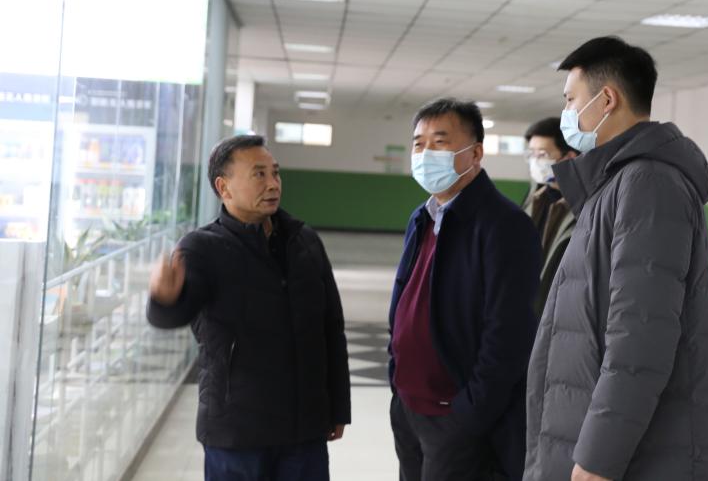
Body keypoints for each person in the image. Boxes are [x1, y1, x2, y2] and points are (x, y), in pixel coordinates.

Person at [524, 36, 708, 481]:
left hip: (644, 457)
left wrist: (598, 457)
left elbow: (640, 337)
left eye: (571, 100)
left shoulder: (647, 185)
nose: (567, 112)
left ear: (606, 100)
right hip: (622, 446)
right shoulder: (615, 183)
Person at [147, 135, 350, 481]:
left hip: (304, 430)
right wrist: (164, 299)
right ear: (223, 187)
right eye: (259, 174)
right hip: (237, 433)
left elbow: (331, 327)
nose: (273, 184)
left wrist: (338, 407)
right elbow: (176, 314)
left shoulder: (305, 242)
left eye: (275, 173)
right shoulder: (201, 248)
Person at [389, 98, 541, 481]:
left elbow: (508, 333)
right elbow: (405, 299)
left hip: (455, 417)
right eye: (419, 143)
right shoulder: (422, 217)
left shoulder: (504, 224)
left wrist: (469, 413)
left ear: (475, 153)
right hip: (409, 406)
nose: (425, 153)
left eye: (440, 142)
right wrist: (396, 376)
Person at [521, 117, 579, 314]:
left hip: (560, 312)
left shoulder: (585, 208)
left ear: (569, 157)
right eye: (531, 154)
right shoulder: (533, 201)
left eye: (543, 154)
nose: (535, 161)